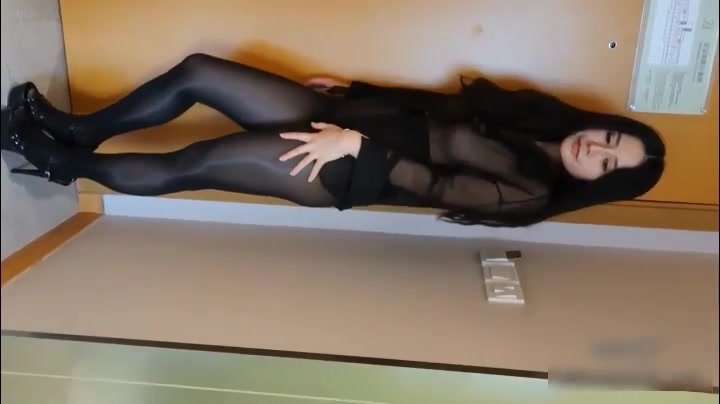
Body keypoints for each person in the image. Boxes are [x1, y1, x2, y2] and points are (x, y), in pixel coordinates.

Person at [1, 52, 665, 227]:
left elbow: (434, 183)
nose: (595, 150)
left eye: (609, 164)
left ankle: (60, 161)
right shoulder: (538, 117)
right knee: (200, 72)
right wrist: (358, 88)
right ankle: (76, 127)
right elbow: (442, 108)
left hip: (346, 168)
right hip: (349, 120)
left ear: (600, 184)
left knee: (194, 161)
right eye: (609, 137)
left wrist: (354, 147)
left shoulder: (531, 194)